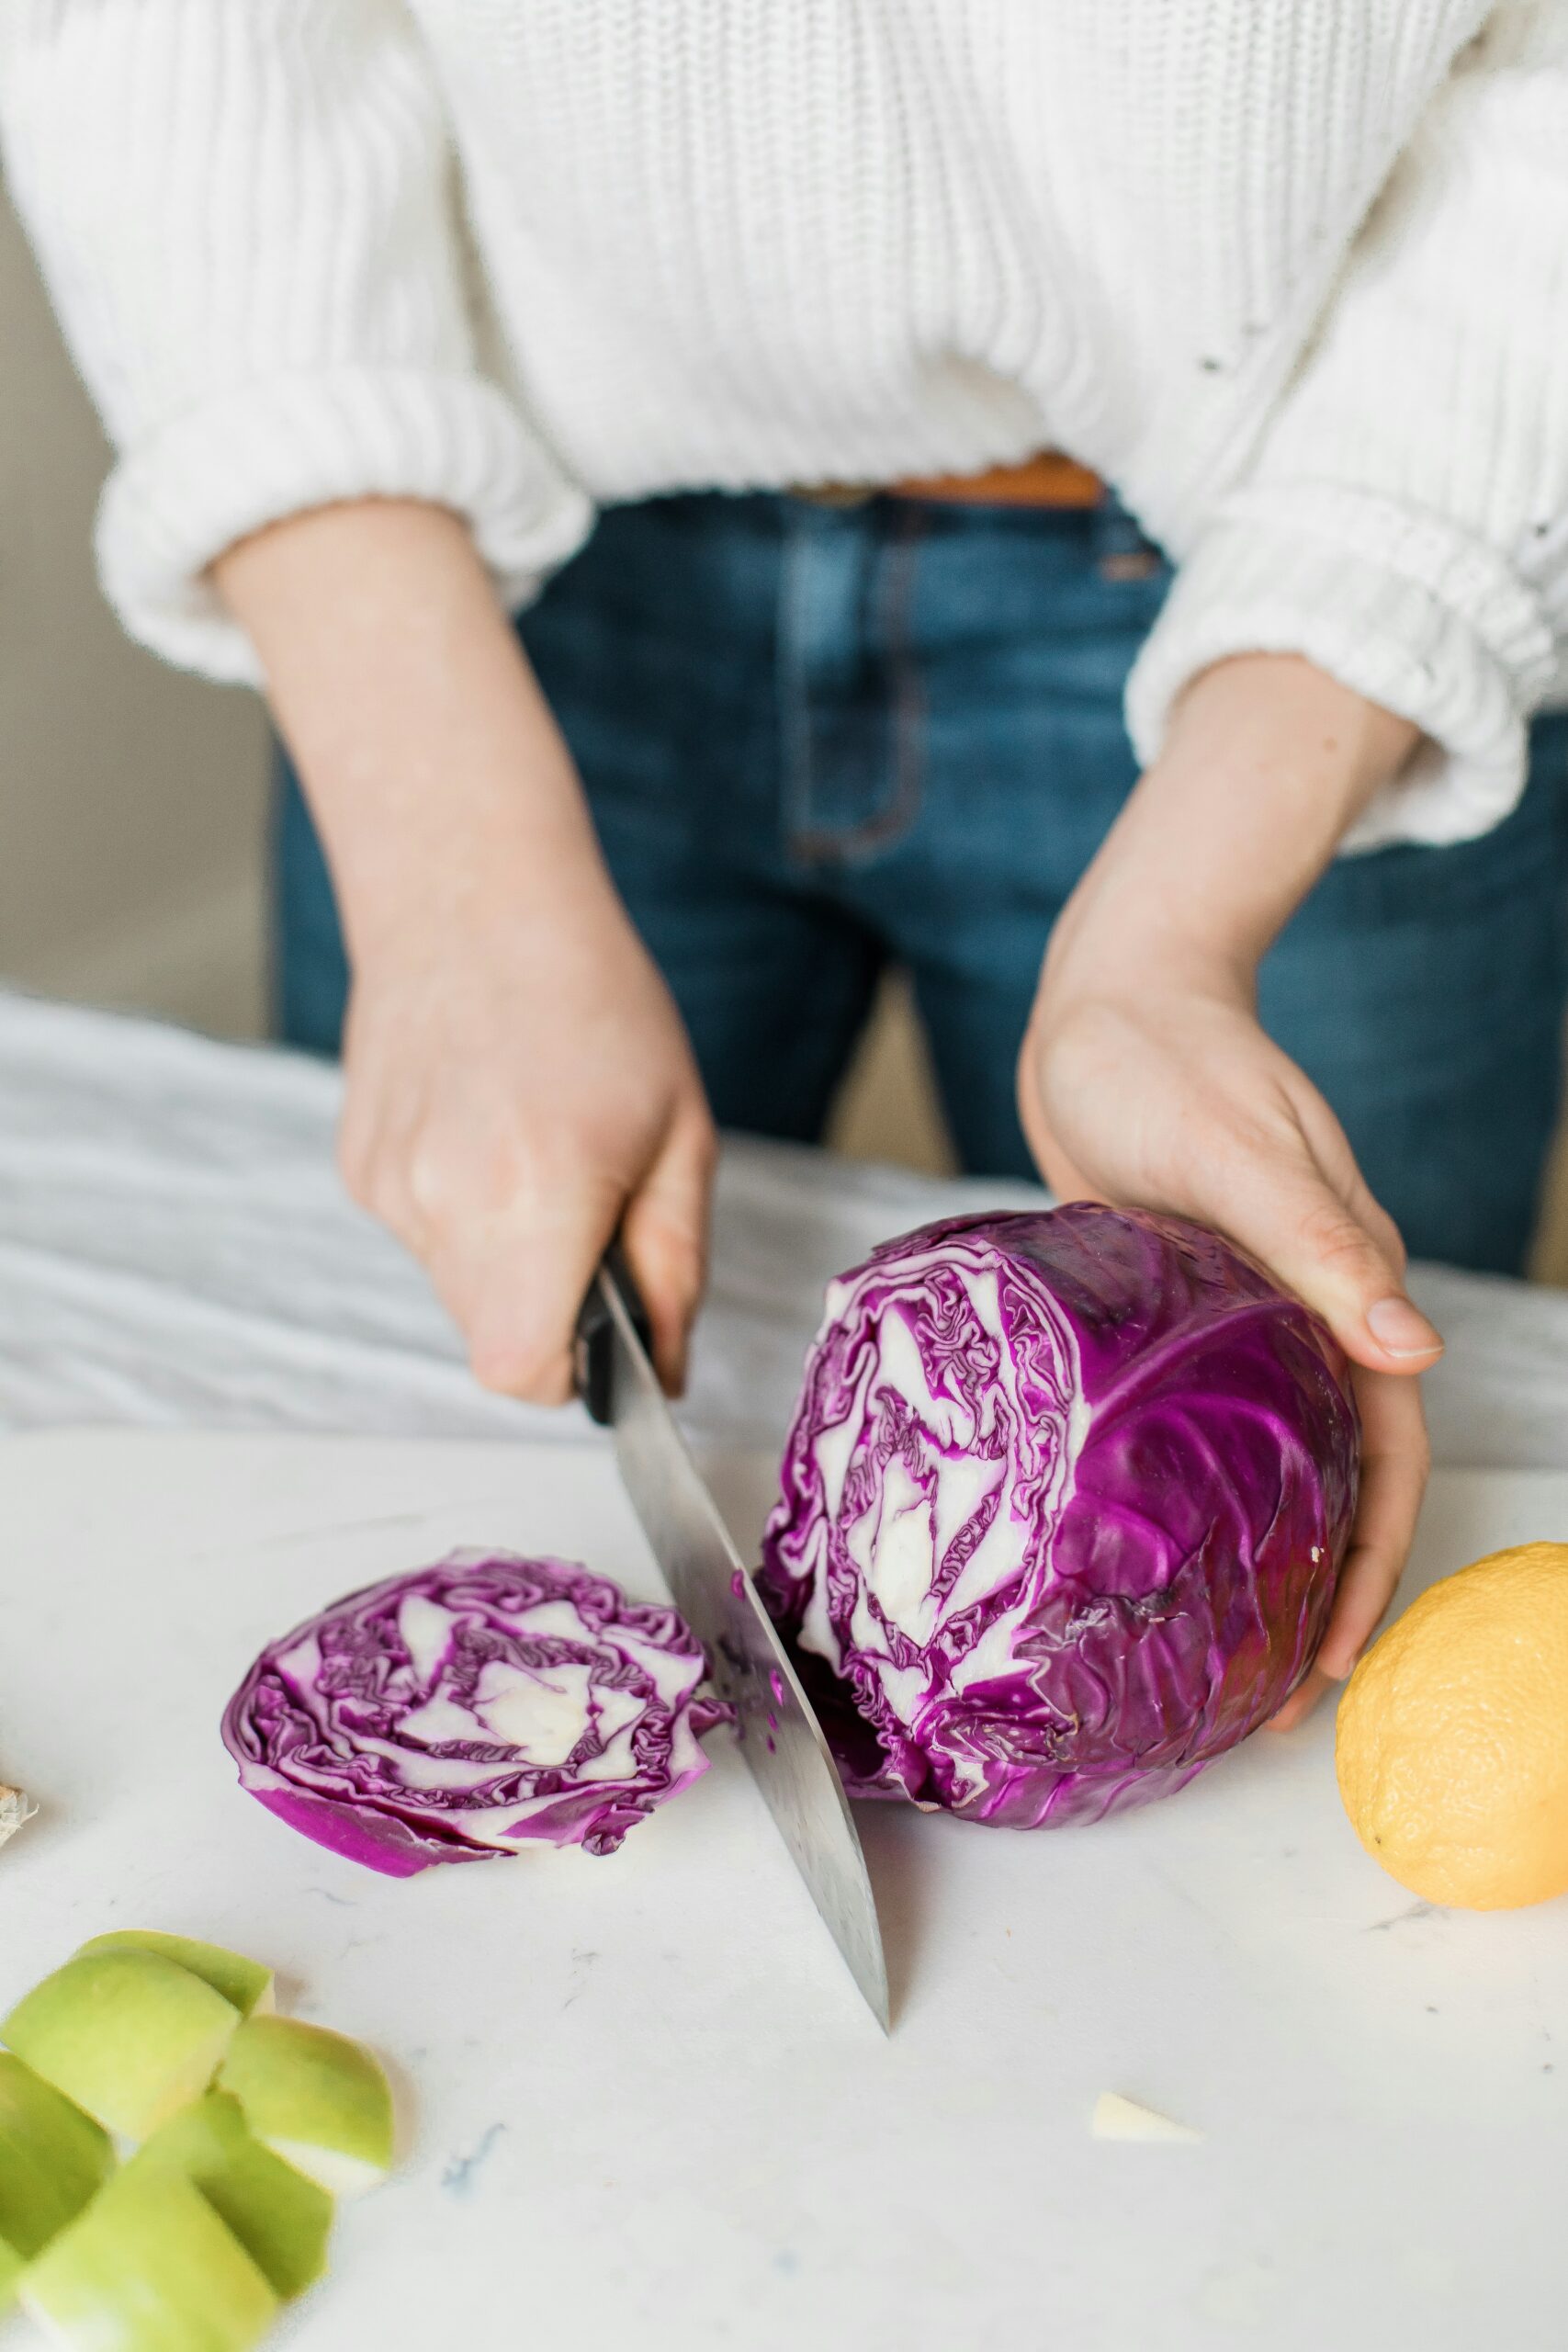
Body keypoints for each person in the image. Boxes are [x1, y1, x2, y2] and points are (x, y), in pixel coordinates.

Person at [4, 4, 1567, 1724]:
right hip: (482, 570)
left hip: (1319, 571)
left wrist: (1170, 947)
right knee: (451, 1421)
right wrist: (446, 878)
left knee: (1320, 1536)